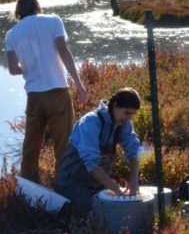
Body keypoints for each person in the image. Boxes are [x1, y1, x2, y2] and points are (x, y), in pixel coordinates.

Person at [5, 0, 89, 185]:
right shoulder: (53, 21)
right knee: (63, 143)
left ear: (18, 12)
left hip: (34, 95)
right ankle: (64, 185)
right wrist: (79, 83)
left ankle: (28, 187)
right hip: (57, 91)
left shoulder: (11, 34)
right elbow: (63, 50)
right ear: (37, 6)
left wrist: (29, 66)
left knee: (31, 145)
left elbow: (12, 69)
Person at [55, 88, 142, 217]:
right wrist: (116, 189)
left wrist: (134, 180)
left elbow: (133, 151)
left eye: (132, 115)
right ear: (115, 106)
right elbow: (93, 166)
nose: (128, 118)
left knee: (113, 212)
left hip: (97, 183)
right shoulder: (91, 122)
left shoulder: (123, 123)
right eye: (126, 113)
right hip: (72, 181)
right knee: (90, 215)